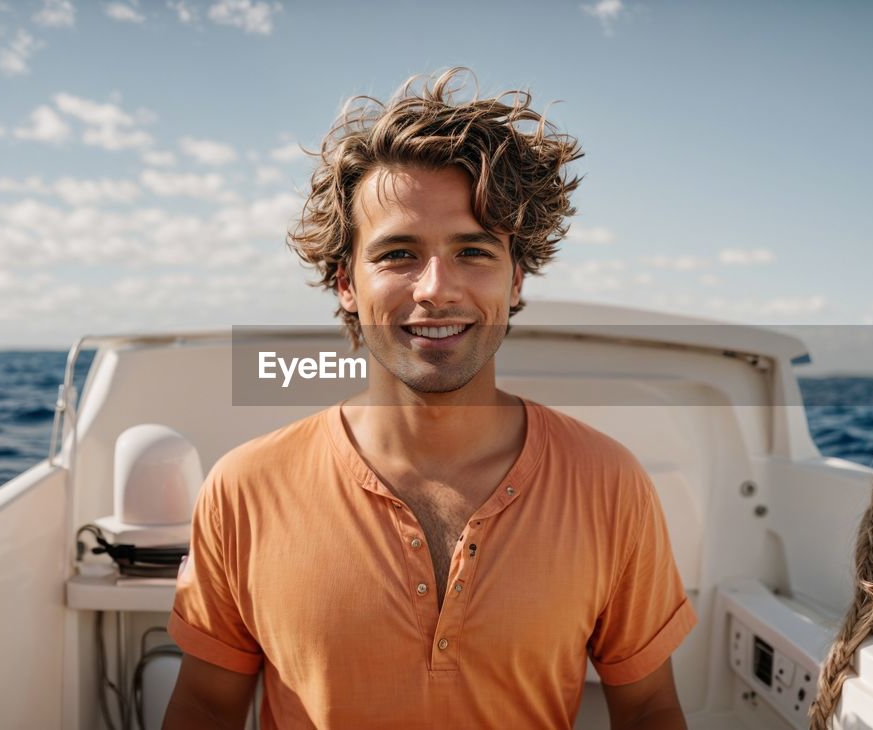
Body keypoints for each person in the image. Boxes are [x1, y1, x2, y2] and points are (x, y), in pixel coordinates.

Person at [163, 67, 696, 729]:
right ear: (346, 285)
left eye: (473, 250)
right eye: (398, 254)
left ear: (516, 280)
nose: (436, 289)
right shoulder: (243, 489)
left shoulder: (609, 485)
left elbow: (648, 709)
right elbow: (205, 709)